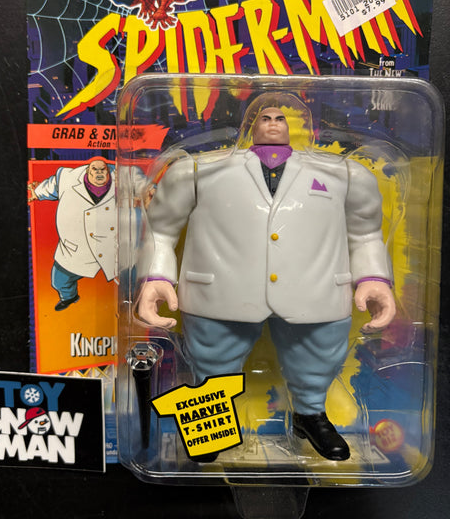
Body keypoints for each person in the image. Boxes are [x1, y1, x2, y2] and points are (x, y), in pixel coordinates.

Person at [137, 92, 396, 461]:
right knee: (212, 365)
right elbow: (160, 230)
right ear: (249, 123)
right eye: (265, 116)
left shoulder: (345, 174)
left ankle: (311, 416)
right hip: (219, 291)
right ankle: (210, 426)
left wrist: (373, 278)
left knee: (317, 361)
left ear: (297, 125)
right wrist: (156, 277)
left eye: (280, 117)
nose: (273, 122)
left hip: (317, 290)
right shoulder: (196, 171)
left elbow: (366, 233)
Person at [28, 158, 116, 310]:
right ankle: (69, 297)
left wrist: (150, 191)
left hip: (114, 247)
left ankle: (135, 302)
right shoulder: (67, 178)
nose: (99, 173)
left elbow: (144, 184)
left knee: (133, 277)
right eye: (95, 170)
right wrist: (37, 192)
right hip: (76, 248)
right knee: (59, 281)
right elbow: (50, 186)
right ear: (87, 171)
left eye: (103, 170)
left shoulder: (124, 177)